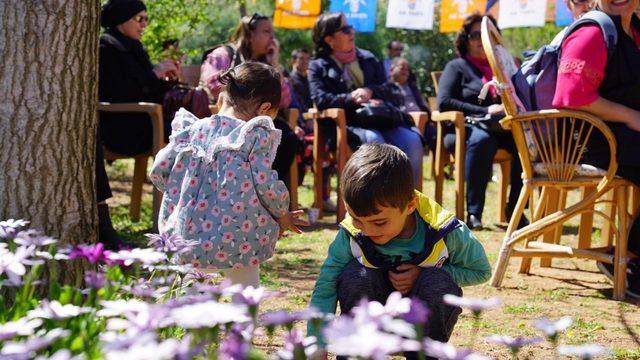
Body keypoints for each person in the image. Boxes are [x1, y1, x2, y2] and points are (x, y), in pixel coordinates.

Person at [307, 144, 491, 358]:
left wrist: (425, 272)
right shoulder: (350, 234)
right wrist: (317, 343)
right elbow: (326, 284)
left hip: (421, 327)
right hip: (370, 324)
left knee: (437, 282)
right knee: (354, 275)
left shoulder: (444, 230)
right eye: (357, 219)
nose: (366, 230)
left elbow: (480, 271)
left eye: (379, 222)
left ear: (410, 205)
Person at [150, 62, 307, 287]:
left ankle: (190, 321)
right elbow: (265, 183)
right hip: (239, 235)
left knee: (193, 289)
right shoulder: (253, 135)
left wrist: (181, 191)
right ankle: (244, 321)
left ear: (223, 97)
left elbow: (160, 169)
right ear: (264, 109)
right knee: (244, 285)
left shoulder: (191, 130)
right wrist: (282, 212)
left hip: (189, 232)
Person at [552, 0, 640, 298]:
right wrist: (631, 116)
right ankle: (630, 261)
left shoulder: (634, 31)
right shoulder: (593, 31)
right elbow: (570, 97)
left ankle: (627, 255)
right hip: (592, 142)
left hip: (624, 139)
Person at [98, 0, 179, 249]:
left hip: (144, 122)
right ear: (123, 18)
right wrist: (153, 75)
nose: (145, 25)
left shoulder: (133, 47)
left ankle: (184, 215)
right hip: (122, 127)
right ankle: (176, 218)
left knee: (188, 134)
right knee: (185, 137)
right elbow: (116, 92)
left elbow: (145, 89)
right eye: (140, 19)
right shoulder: (107, 47)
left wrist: (165, 81)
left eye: (146, 19)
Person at [308, 12, 424, 185]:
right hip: (346, 125)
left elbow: (388, 89)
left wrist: (370, 92)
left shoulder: (368, 58)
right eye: (345, 29)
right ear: (330, 40)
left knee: (412, 140)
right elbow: (321, 99)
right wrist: (352, 98)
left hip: (381, 119)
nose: (352, 32)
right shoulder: (317, 66)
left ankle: (408, 203)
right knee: (374, 141)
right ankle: (377, 205)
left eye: (351, 28)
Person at [437, 13, 523, 230]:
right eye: (475, 34)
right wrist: (485, 109)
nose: (480, 39)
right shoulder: (456, 66)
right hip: (462, 129)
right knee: (483, 140)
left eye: (485, 35)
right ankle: (474, 213)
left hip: (499, 128)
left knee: (526, 143)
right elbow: (444, 102)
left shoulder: (501, 70)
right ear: (465, 39)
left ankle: (515, 209)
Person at [200, 13, 301, 187]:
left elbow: (284, 100)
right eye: (267, 31)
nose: (272, 38)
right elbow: (213, 85)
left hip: (261, 121)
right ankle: (242, 191)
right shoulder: (224, 55)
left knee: (286, 137)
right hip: (228, 122)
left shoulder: (266, 64)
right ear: (250, 33)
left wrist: (275, 65)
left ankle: (266, 193)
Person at [387, 57, 435, 148]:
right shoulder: (387, 88)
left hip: (424, 121)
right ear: (392, 70)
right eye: (402, 68)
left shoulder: (412, 87)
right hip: (405, 123)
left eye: (407, 69)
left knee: (438, 135)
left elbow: (423, 104)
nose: (405, 72)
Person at [290, 48, 313, 112]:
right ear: (293, 61)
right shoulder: (290, 80)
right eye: (301, 58)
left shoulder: (311, 80)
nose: (305, 61)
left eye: (308, 58)